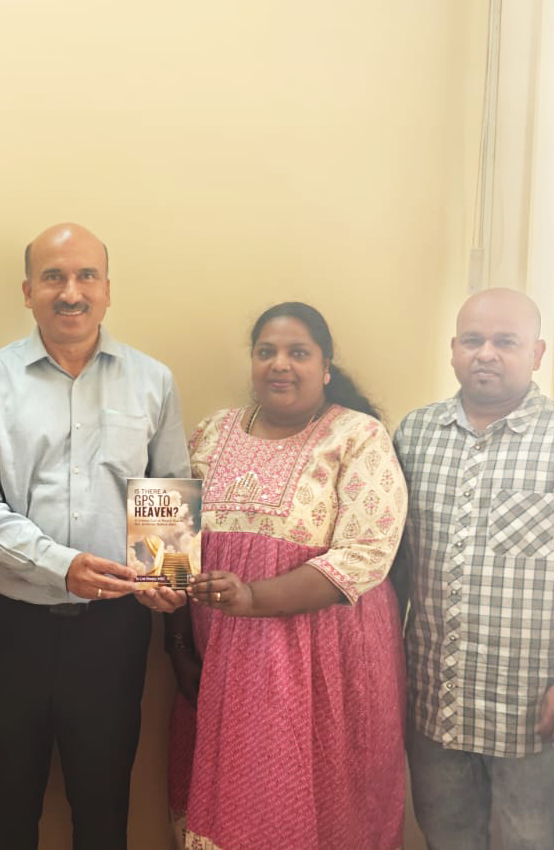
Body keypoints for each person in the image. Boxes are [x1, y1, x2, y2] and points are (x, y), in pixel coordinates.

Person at [0, 223, 189, 850]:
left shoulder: (152, 381)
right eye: (54, 277)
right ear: (28, 291)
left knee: (105, 806)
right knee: (4, 808)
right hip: (7, 627)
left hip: (113, 631)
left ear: (108, 289)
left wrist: (167, 580)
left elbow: (164, 490)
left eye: (86, 276)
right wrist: (62, 565)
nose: (70, 292)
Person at [170, 301, 408, 849]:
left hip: (324, 665)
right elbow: (169, 554)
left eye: (298, 353)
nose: (280, 364)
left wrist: (252, 595)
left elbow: (367, 552)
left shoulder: (358, 437)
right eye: (266, 352)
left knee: (319, 809)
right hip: (222, 659)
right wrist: (178, 645)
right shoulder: (211, 432)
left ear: (325, 367)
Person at [393, 287, 554, 850]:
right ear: (453, 350)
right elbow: (395, 563)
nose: (486, 353)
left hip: (533, 710)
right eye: (473, 340)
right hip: (435, 699)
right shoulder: (414, 434)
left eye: (505, 341)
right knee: (446, 837)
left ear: (536, 353)